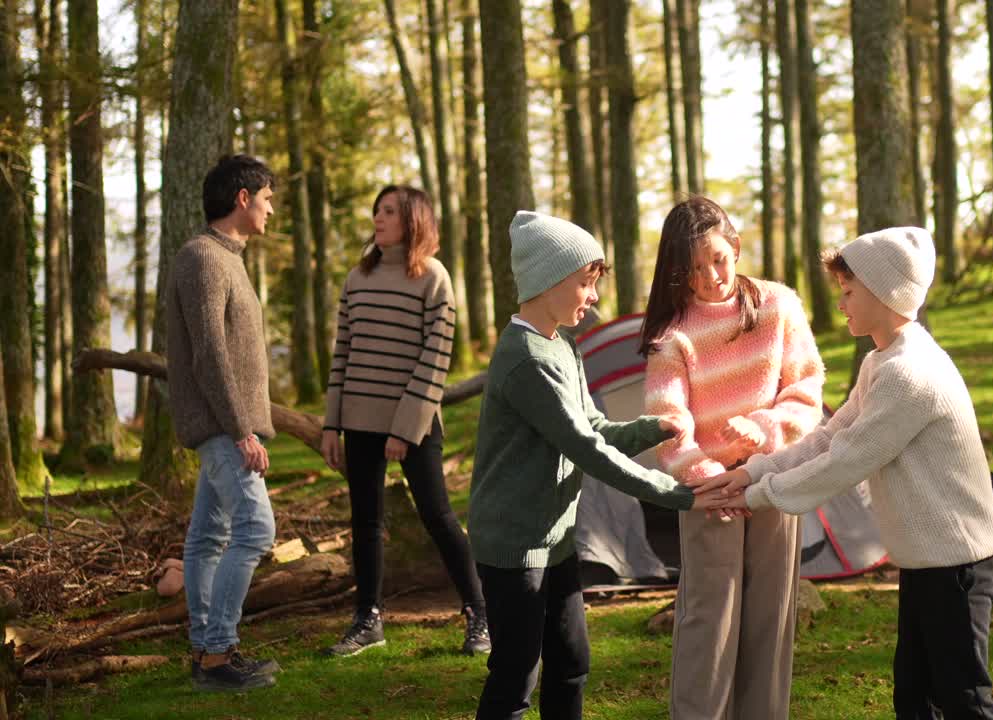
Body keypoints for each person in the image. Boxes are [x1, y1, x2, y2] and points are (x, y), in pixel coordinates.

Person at [707, 227, 993, 719]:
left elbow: (847, 460)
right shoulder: (882, 361)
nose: (841, 304)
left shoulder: (909, 373)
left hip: (957, 560)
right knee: (914, 694)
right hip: (927, 558)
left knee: (964, 697)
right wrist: (753, 472)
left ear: (884, 292)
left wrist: (759, 496)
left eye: (849, 292)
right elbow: (831, 435)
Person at [467, 211, 720, 720]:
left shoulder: (562, 345)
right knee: (516, 675)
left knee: (571, 662)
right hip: (515, 546)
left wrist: (654, 427)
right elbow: (587, 449)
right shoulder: (526, 359)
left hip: (555, 539)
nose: (594, 296)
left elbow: (596, 428)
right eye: (585, 282)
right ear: (548, 280)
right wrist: (678, 495)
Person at [640, 196, 825, 719]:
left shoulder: (778, 306)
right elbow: (668, 424)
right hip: (709, 495)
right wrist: (710, 481)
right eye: (693, 269)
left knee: (770, 618)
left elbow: (806, 391)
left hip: (772, 481)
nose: (710, 278)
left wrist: (764, 430)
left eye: (718, 260)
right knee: (709, 622)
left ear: (736, 248)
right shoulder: (672, 334)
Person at [321, 185, 490, 657]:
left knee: (438, 516)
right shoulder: (357, 278)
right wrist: (331, 425)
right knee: (365, 522)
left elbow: (436, 359)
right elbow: (342, 355)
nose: (378, 217)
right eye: (377, 210)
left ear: (413, 220)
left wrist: (403, 429)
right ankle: (367, 619)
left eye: (389, 211)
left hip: (414, 423)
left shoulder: (434, 277)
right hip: (358, 419)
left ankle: (480, 612)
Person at [168, 154, 280, 692]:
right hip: (221, 426)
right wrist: (241, 431)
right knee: (256, 529)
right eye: (267, 198)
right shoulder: (203, 258)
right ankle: (217, 653)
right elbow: (210, 356)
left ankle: (205, 650)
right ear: (242, 198)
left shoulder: (226, 258)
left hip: (225, 424)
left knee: (209, 536)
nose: (271, 209)